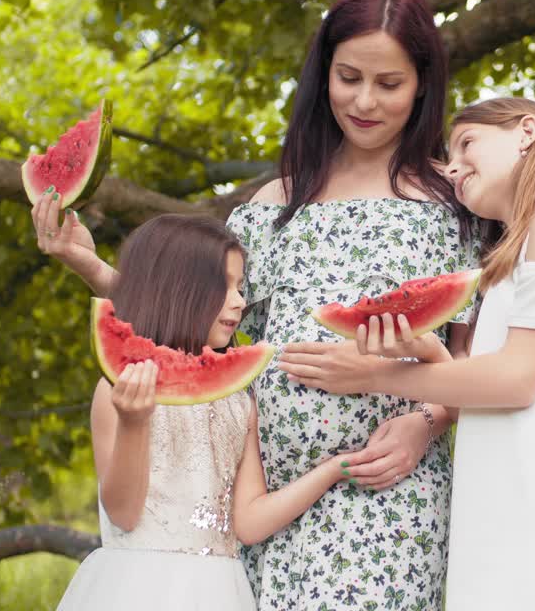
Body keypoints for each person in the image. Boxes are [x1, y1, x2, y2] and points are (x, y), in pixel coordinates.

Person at [32, 0, 479, 609]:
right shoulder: (274, 203)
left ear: (423, 85)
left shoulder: (454, 203)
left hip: (390, 498)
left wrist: (426, 422)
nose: (366, 101)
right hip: (262, 503)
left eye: (390, 83)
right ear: (323, 74)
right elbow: (194, 328)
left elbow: (480, 365)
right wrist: (94, 269)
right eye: (349, 77)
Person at [280, 97, 535, 610]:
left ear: (526, 132)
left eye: (467, 143)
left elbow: (516, 382)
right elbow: (514, 381)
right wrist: (431, 356)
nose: (452, 167)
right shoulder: (514, 254)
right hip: (521, 499)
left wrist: (372, 374)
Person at [54, 214, 366, 611]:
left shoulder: (238, 401)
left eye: (240, 286)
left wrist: (335, 468)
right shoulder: (116, 388)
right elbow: (123, 514)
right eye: (225, 286)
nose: (239, 300)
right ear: (177, 291)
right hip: (135, 589)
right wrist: (134, 423)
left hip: (219, 590)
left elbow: (248, 521)